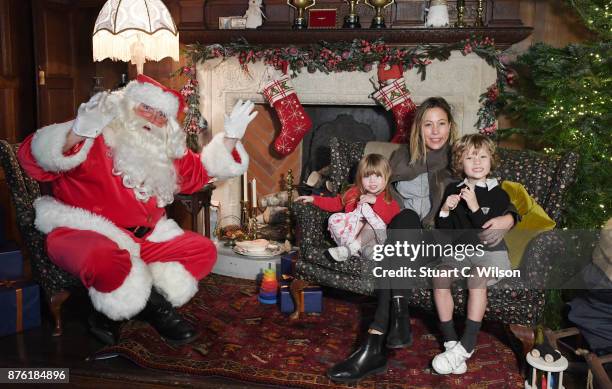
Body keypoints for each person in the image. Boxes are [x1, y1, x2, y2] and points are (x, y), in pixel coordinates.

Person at [17, 74, 257, 345]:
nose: (153, 119)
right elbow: (31, 160)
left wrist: (231, 139)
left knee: (203, 251)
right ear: (126, 106)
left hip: (144, 240)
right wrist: (77, 132)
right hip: (83, 232)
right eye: (146, 108)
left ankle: (115, 312)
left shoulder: (162, 150)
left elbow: (199, 172)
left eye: (162, 115)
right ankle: (159, 311)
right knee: (103, 258)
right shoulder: (93, 134)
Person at [327, 97, 517, 383]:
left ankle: (373, 345)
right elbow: (375, 190)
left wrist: (510, 218)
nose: (435, 131)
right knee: (404, 223)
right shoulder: (400, 158)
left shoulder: (460, 158)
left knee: (397, 247)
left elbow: (499, 189)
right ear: (418, 128)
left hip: (438, 240)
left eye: (441, 124)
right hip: (400, 236)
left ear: (450, 127)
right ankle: (397, 319)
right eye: (428, 124)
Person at [431, 134, 512, 374]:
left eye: (483, 157)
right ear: (460, 162)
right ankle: (450, 342)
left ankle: (467, 345)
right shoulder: (453, 188)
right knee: (440, 275)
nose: (477, 163)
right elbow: (445, 233)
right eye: (470, 157)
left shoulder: (499, 193)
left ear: (491, 161)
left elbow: (486, 234)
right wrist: (445, 210)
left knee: (478, 275)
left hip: (491, 255)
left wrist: (475, 206)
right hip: (461, 253)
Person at [296, 154, 400, 262]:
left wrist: (375, 201)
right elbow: (336, 203)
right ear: (360, 177)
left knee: (371, 216)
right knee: (333, 219)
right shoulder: (354, 192)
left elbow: (393, 216)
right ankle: (350, 250)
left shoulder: (387, 198)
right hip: (352, 238)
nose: (372, 181)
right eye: (367, 176)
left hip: (374, 240)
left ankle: (353, 249)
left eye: (378, 176)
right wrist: (314, 199)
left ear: (386, 178)